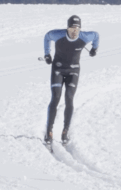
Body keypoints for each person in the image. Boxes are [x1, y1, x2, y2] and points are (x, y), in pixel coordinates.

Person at [42, 15, 99, 144]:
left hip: (73, 70)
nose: (74, 31)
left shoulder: (85, 36)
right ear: (67, 28)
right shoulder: (58, 35)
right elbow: (47, 36)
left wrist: (94, 49)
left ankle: (65, 132)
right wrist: (47, 54)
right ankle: (49, 132)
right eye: (72, 28)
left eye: (77, 28)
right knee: (56, 97)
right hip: (58, 69)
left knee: (69, 98)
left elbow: (96, 35)